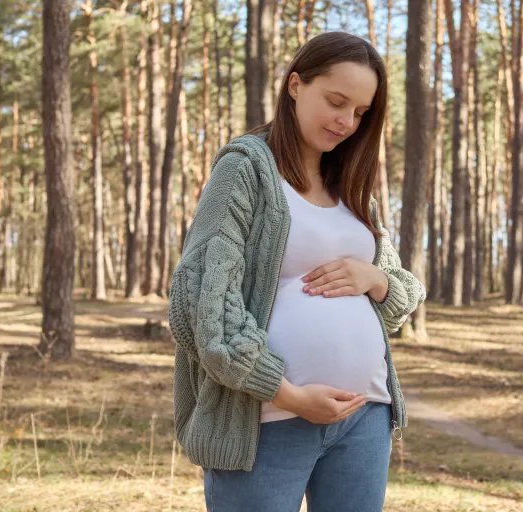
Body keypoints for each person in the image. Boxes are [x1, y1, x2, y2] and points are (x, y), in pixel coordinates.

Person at [168, 31, 426, 512]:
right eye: (336, 101)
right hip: (266, 418)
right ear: (294, 86)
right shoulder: (245, 168)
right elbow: (200, 301)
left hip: (365, 416)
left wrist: (376, 280)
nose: (346, 122)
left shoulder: (350, 186)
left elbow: (401, 294)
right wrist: (286, 393)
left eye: (360, 112)